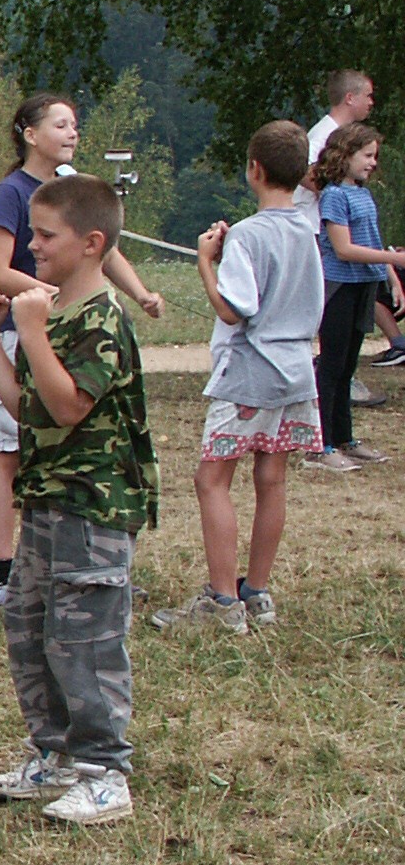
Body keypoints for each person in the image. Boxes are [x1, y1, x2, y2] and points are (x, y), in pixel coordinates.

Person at [0, 175, 156, 827]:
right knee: (30, 626)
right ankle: (54, 755)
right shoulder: (53, 314)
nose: (33, 246)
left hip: (93, 506)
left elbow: (70, 405)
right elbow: (29, 408)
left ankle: (105, 773)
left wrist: (31, 332)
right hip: (49, 501)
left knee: (85, 640)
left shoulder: (102, 317)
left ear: (91, 243)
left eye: (47, 236)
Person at [0, 94, 164, 604]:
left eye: (74, 124)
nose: (72, 132)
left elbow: (108, 252)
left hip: (90, 505)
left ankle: (98, 568)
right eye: (61, 124)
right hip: (27, 328)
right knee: (9, 450)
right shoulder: (12, 193)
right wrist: (23, 320)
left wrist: (139, 293)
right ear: (29, 134)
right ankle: (4, 571)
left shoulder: (99, 314)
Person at [153, 122, 321, 633]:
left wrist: (207, 262)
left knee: (212, 480)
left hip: (251, 373)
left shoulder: (248, 234)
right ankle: (258, 593)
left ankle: (223, 602)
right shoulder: (307, 230)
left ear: (254, 170)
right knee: (272, 479)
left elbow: (234, 310)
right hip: (297, 371)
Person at [303, 121, 405, 471]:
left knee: (347, 366)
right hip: (340, 287)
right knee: (331, 365)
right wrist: (395, 260)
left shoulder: (362, 193)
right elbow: (344, 249)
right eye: (367, 155)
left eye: (374, 156)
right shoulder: (334, 195)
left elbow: (372, 240)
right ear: (344, 155)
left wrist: (390, 276)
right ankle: (321, 445)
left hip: (364, 285)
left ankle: (345, 438)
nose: (372, 163)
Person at [302, 72, 405, 370]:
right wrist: (339, 197)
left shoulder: (357, 187)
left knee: (349, 343)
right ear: (350, 97)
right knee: (333, 326)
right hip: (318, 233)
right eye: (368, 95)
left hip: (348, 246)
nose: (372, 102)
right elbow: (307, 176)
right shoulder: (323, 136)